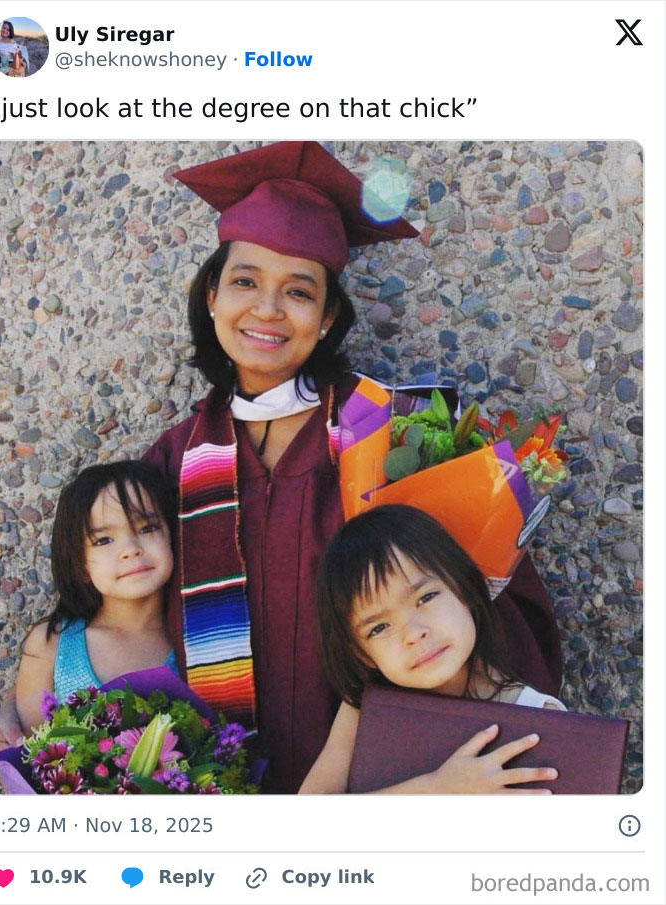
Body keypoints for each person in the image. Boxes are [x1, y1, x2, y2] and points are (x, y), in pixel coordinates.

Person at [140, 141, 562, 794]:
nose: (268, 309)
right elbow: (118, 611)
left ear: (328, 315)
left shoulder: (402, 427)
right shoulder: (173, 459)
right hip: (220, 785)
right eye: (245, 281)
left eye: (299, 291)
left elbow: (498, 599)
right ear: (212, 294)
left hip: (394, 780)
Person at [300, 505, 565, 794]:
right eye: (379, 628)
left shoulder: (540, 718)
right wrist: (435, 790)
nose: (414, 634)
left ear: (464, 588)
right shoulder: (363, 706)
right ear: (362, 654)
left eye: (425, 597)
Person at [14, 462, 179, 734]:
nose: (131, 549)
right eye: (103, 540)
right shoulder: (51, 644)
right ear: (80, 565)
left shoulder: (194, 642)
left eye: (147, 528)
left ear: (173, 535)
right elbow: (30, 750)